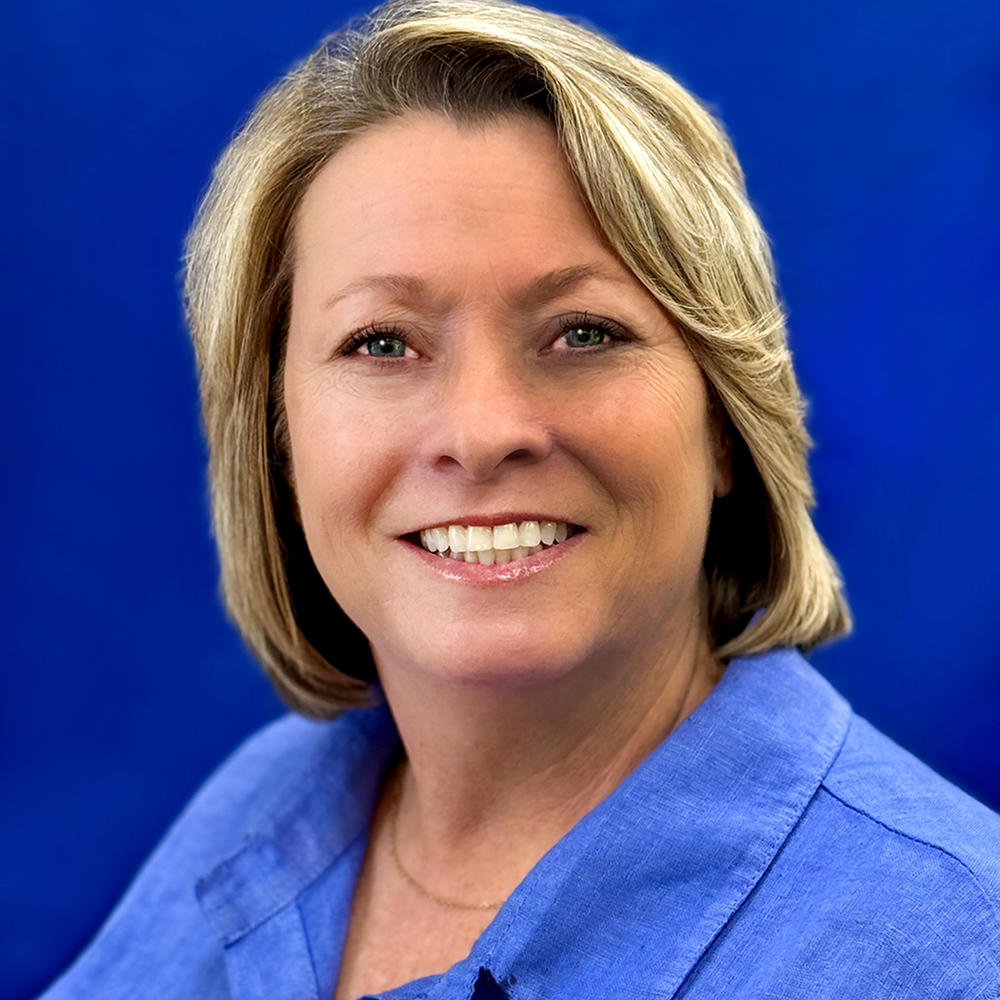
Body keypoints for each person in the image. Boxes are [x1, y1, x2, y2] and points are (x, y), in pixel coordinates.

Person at [40, 0, 1000, 997]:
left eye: (584, 333)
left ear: (724, 419)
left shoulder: (955, 955)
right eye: (382, 343)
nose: (482, 430)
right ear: (279, 436)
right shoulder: (265, 810)